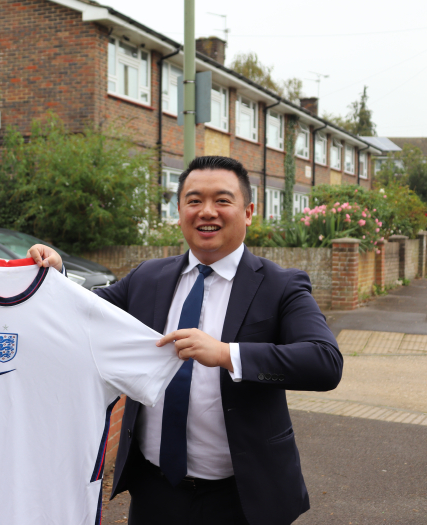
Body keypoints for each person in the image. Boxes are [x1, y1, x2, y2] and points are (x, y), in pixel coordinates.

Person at [18, 156, 343, 525]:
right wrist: (54, 273)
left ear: (248, 211)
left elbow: (324, 362)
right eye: (194, 200)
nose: (207, 211)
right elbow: (83, 312)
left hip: (242, 496)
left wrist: (226, 354)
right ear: (179, 210)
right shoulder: (148, 277)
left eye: (222, 200)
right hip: (155, 491)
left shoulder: (280, 285)